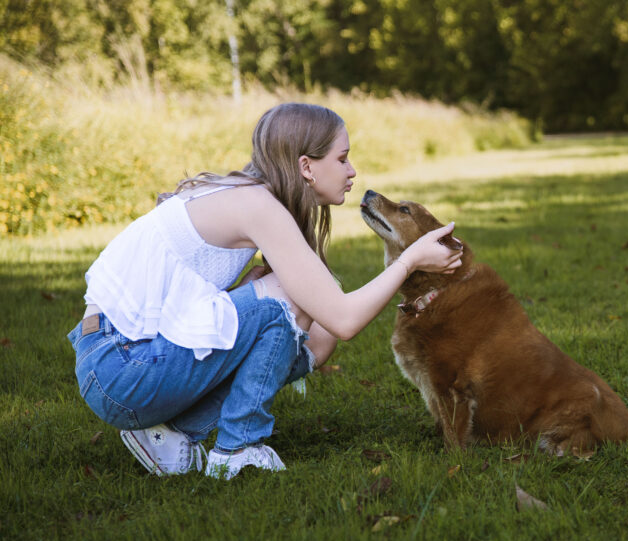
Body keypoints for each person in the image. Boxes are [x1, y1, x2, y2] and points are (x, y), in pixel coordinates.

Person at [67, 102, 462, 479]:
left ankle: (170, 431)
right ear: (306, 166)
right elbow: (344, 319)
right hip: (120, 368)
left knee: (313, 333)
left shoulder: (246, 194)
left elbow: (326, 332)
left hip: (117, 360)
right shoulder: (257, 205)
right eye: (342, 159)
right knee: (289, 300)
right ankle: (239, 449)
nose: (352, 171)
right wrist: (410, 260)